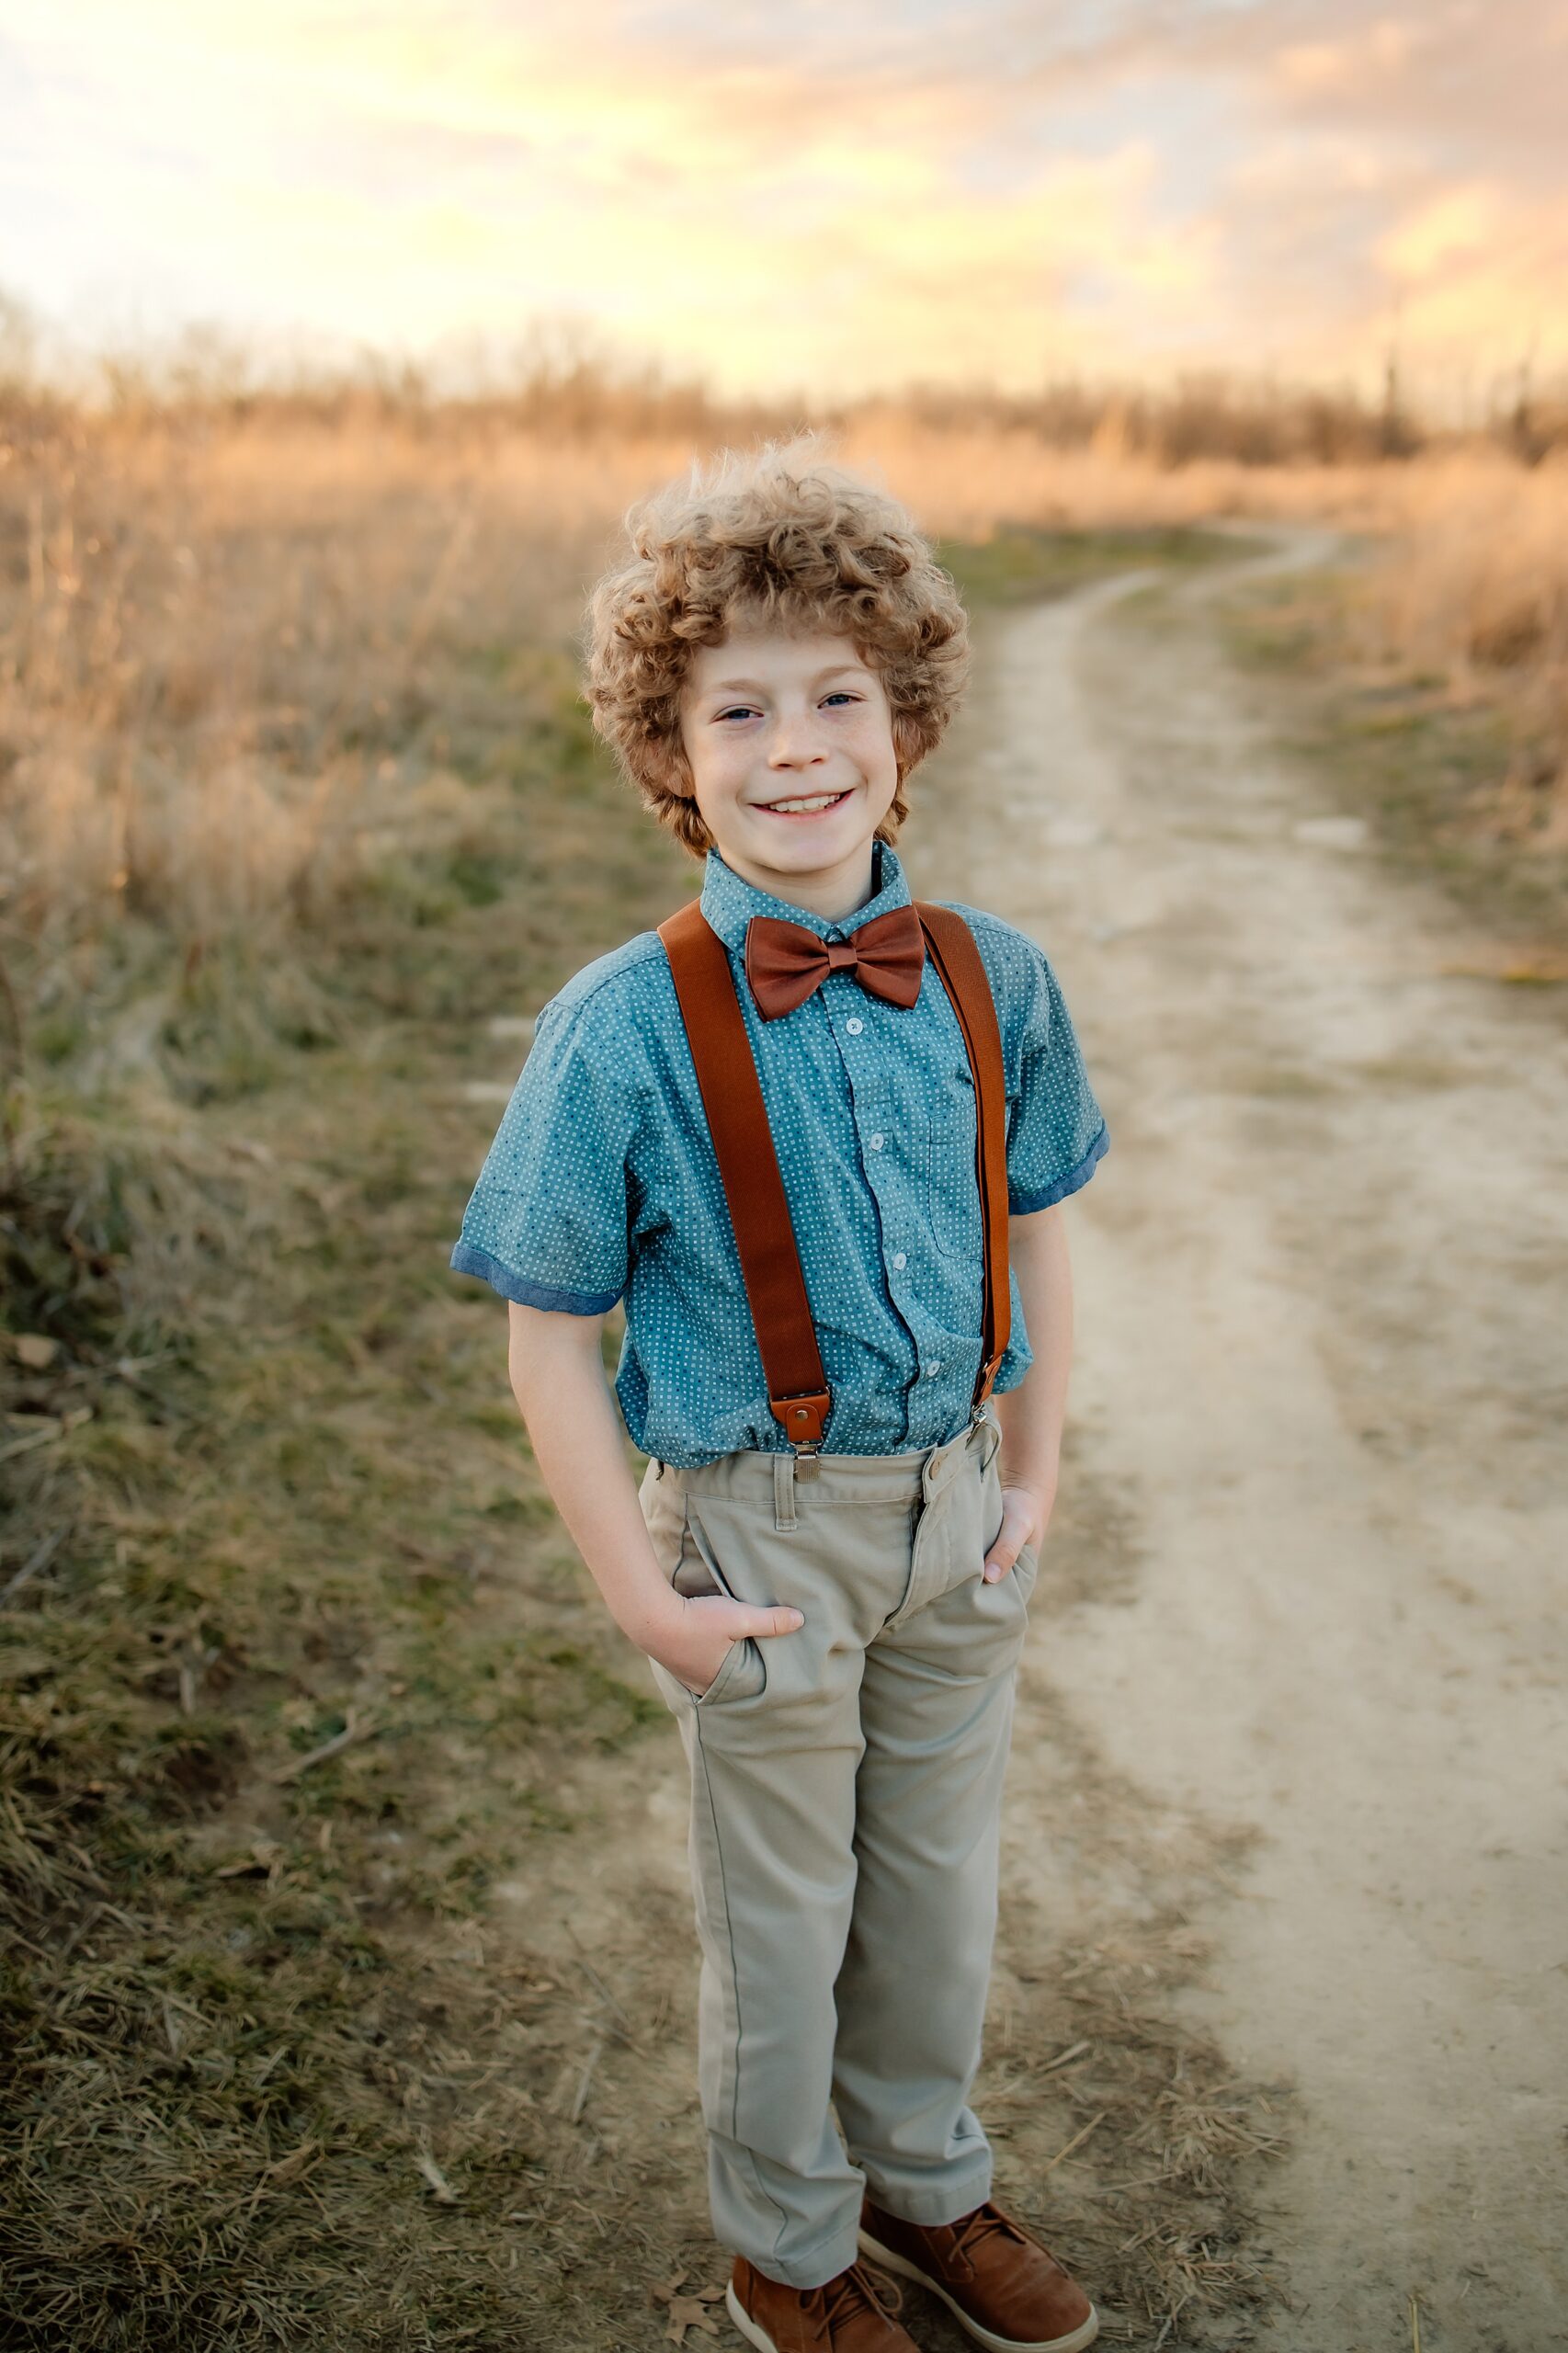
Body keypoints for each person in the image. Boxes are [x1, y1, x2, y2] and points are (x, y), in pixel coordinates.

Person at [449, 440, 1109, 2353]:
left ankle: (923, 2173)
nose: (794, 743)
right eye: (736, 706)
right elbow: (544, 1331)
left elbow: (1042, 1229)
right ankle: (789, 2240)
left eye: (838, 694)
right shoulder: (621, 1022)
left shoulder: (997, 978)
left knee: (935, 1890)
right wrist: (644, 1600)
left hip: (958, 1510)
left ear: (907, 725)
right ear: (670, 752)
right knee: (781, 1913)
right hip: (757, 1526)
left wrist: (1035, 1471)